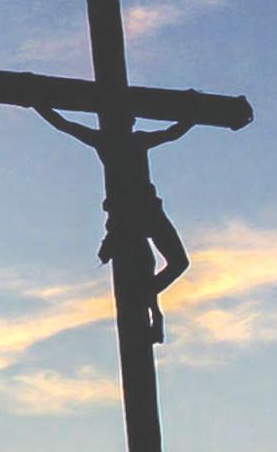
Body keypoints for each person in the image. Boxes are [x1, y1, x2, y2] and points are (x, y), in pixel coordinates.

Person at [34, 106, 193, 343]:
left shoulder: (112, 140)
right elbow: (172, 133)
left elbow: (63, 124)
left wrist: (37, 104)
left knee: (171, 263)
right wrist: (193, 115)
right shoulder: (127, 140)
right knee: (162, 263)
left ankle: (146, 295)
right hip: (135, 214)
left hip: (140, 211)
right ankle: (147, 297)